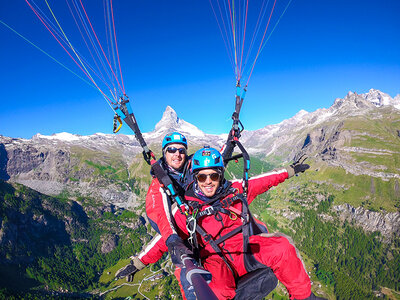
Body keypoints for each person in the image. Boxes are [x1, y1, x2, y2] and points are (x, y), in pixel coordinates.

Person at [165, 146, 325, 300]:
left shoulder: (234, 190)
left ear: (220, 175)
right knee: (216, 291)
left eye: (213, 176)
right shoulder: (184, 209)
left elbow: (263, 181)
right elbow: (166, 235)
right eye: (202, 177)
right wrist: (139, 262)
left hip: (242, 247)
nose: (208, 182)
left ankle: (303, 297)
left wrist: (290, 171)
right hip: (213, 259)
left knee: (282, 247)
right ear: (195, 178)